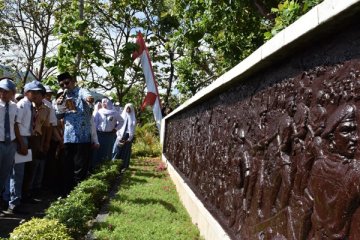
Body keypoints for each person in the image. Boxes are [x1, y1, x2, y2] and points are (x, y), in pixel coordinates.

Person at [307, 104, 360, 239]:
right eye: (346, 131)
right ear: (331, 138)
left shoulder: (318, 165)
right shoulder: (355, 174)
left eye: (355, 131)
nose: (355, 138)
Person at [55, 72, 97, 195]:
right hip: (68, 137)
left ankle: (79, 195)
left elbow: (88, 98)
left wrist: (89, 99)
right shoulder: (63, 96)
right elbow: (59, 115)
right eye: (62, 85)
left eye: (67, 83)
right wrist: (59, 105)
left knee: (80, 168)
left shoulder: (81, 91)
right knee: (67, 167)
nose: (65, 86)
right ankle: (67, 193)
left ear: (73, 81)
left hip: (82, 137)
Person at [0, 78, 23, 216]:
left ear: (13, 93)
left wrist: (20, 143)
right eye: (1, 91)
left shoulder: (15, 107)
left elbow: (15, 124)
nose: (3, 94)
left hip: (10, 144)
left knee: (4, 175)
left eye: (6, 91)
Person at [93, 98, 123, 168]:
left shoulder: (114, 112)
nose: (104, 104)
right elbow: (95, 123)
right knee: (98, 151)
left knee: (107, 151)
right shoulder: (99, 112)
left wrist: (116, 129)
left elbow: (122, 121)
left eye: (105, 102)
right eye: (103, 102)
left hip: (109, 135)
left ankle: (105, 167)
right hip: (99, 134)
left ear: (109, 103)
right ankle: (97, 167)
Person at [112, 103, 136, 170]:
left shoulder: (133, 118)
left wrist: (130, 138)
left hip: (128, 136)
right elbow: (118, 126)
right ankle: (115, 165)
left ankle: (124, 166)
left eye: (129, 108)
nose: (128, 110)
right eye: (127, 108)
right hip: (120, 135)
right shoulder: (122, 116)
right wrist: (118, 135)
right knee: (117, 150)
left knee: (126, 152)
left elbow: (133, 129)